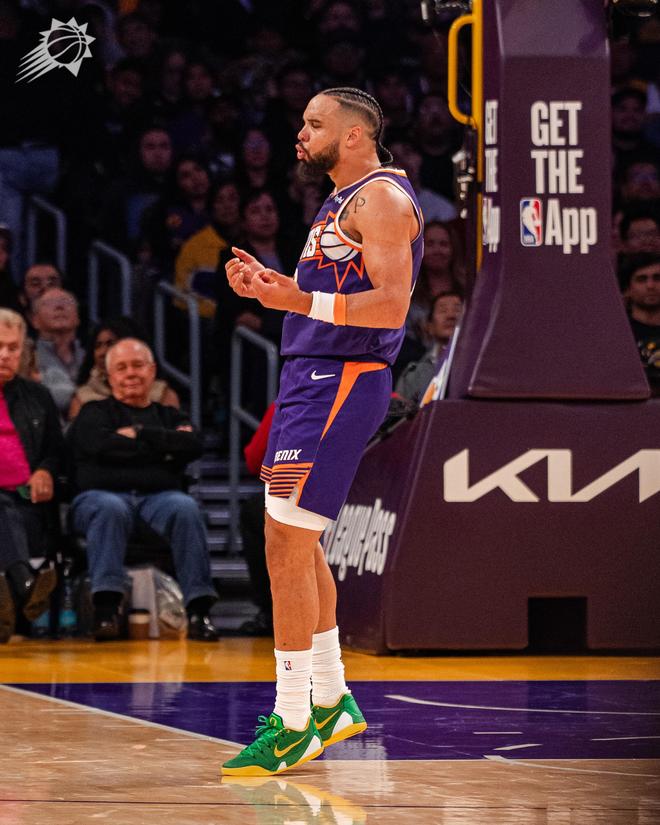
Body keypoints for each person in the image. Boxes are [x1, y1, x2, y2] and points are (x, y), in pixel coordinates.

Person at [221, 86, 423, 776]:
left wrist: (298, 298)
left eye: (315, 124)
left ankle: (293, 719)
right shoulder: (342, 200)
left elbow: (390, 306)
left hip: (342, 379)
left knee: (286, 542)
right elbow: (329, 297)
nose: (301, 134)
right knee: (295, 540)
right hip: (312, 375)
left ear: (355, 135)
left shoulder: (382, 199)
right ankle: (332, 699)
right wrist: (275, 287)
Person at [68, 338, 220, 642]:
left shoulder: (169, 415)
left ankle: (198, 610)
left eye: (138, 365)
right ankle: (106, 610)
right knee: (110, 508)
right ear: (109, 376)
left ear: (152, 371)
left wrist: (138, 434)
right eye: (121, 368)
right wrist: (161, 449)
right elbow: (98, 446)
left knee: (186, 508)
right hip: (98, 498)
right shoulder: (93, 412)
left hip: (159, 500)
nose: (131, 373)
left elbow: (192, 445)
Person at [0, 309, 62, 643]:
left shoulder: (37, 396)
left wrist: (45, 470)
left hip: (27, 499)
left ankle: (13, 599)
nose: (5, 355)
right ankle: (25, 585)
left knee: (10, 512)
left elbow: (57, 450)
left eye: (12, 347)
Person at [68, 318, 180, 420]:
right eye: (97, 346)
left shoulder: (162, 394)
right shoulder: (82, 398)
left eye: (110, 343)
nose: (102, 352)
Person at [396, 291, 463, 405]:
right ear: (429, 327)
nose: (451, 316)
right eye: (443, 310)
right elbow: (399, 413)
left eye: (457, 310)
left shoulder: (478, 368)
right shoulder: (413, 374)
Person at [32, 288, 85, 421]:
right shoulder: (27, 358)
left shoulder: (92, 356)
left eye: (66, 302)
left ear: (78, 318)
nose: (60, 307)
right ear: (35, 320)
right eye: (49, 303)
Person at [621, 252, 660, 397]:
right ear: (627, 290)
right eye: (642, 279)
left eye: (657, 278)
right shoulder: (616, 332)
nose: (650, 286)